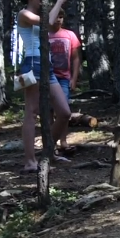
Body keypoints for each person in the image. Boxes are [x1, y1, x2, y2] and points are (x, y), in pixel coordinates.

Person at [16, 0, 72, 174]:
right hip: (33, 64)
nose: (43, 2)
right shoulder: (24, 14)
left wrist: (57, 6)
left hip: (47, 66)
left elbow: (52, 24)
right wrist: (58, 2)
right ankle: (30, 161)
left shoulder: (39, 15)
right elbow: (48, 22)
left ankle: (48, 152)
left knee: (64, 112)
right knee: (31, 112)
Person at [48, 8, 82, 156]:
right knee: (48, 110)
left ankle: (63, 141)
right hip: (48, 78)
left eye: (61, 17)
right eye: (56, 16)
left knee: (63, 111)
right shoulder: (44, 35)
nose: (58, 19)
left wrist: (74, 79)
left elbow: (75, 58)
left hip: (63, 78)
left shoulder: (70, 35)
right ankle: (50, 142)